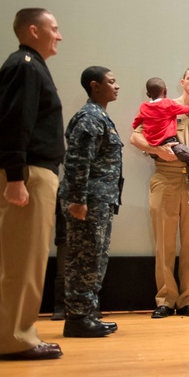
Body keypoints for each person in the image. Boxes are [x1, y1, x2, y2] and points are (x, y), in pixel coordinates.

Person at [0, 8, 65, 360]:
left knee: (28, 260)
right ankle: (17, 339)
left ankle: (22, 333)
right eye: (54, 29)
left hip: (32, 172)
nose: (59, 36)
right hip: (28, 174)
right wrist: (16, 177)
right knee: (22, 261)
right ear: (33, 31)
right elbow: (15, 123)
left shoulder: (28, 65)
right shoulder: (25, 66)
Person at [130, 66, 189, 318]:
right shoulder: (163, 106)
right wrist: (157, 150)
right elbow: (136, 138)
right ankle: (165, 299)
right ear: (182, 82)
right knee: (164, 242)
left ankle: (186, 299)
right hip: (166, 178)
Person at [59, 67, 123, 338]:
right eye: (111, 82)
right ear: (95, 86)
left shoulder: (100, 116)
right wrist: (77, 200)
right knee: (84, 259)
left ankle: (87, 312)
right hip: (88, 201)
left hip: (99, 200)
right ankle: (78, 317)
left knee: (94, 258)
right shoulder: (89, 118)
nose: (116, 86)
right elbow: (77, 162)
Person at [132, 77, 189, 210]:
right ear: (165, 90)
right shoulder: (168, 104)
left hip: (154, 146)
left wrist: (153, 147)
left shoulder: (144, 106)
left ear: (148, 94)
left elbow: (136, 122)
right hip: (170, 153)